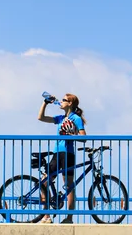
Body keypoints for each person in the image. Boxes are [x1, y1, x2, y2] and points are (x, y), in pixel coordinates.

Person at [38, 93, 87, 223]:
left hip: (68, 154)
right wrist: (46, 103)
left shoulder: (76, 118)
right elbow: (40, 118)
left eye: (64, 100)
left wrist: (72, 135)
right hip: (56, 153)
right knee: (44, 182)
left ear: (70, 103)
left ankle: (69, 218)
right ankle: (46, 215)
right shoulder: (60, 118)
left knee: (69, 186)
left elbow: (84, 137)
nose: (61, 101)